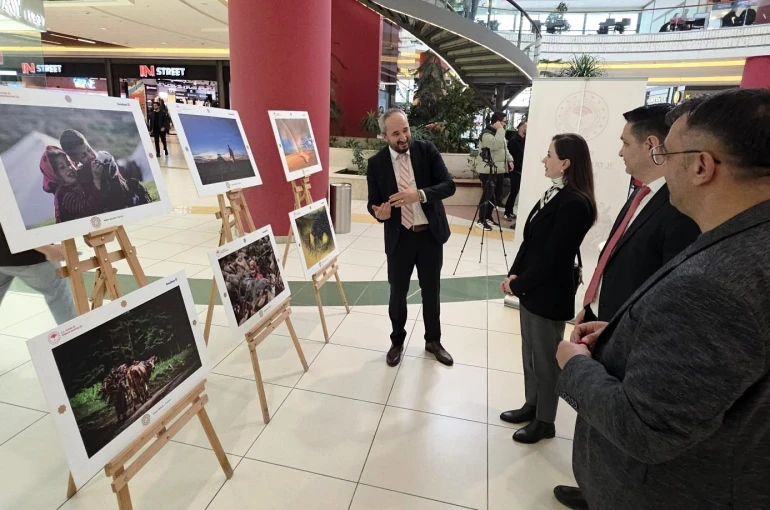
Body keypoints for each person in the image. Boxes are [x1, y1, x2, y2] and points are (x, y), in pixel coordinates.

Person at [555, 88, 770, 509]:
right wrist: (626, 337)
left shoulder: (713, 286)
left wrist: (576, 366)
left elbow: (646, 429)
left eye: (667, 156)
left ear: (702, 166)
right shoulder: (746, 239)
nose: (661, 168)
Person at [551, 104, 701, 509]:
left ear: (652, 145)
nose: (618, 152)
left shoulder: (677, 209)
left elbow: (666, 286)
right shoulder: (641, 194)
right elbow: (616, 257)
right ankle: (591, 480)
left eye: (624, 142)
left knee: (617, 416)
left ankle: (603, 490)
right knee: (598, 416)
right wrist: (594, 307)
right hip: (608, 321)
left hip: (635, 335)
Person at [499, 133, 596, 444]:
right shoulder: (554, 194)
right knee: (530, 355)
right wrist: (514, 275)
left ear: (565, 163)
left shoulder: (575, 204)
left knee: (545, 361)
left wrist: (521, 283)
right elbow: (531, 242)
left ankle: (546, 421)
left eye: (549, 155)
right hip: (532, 290)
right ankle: (532, 404)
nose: (544, 160)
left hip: (548, 294)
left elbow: (555, 257)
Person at [367, 108, 456, 367]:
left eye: (405, 130)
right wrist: (380, 213)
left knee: (431, 291)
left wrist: (419, 194)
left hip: (429, 235)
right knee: (398, 293)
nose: (403, 137)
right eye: (396, 133)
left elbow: (449, 184)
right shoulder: (376, 164)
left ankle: (433, 341)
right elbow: (374, 203)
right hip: (399, 238)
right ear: (384, 136)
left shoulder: (426, 151)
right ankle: (397, 341)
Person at [0, 226, 77, 326]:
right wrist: (47, 248)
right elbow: (10, 221)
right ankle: (76, 338)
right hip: (30, 257)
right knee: (58, 295)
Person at [60, 129, 151, 210]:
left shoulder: (101, 160)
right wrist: (97, 179)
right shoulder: (82, 176)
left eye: (89, 149)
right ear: (74, 160)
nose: (91, 156)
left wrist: (111, 165)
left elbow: (119, 179)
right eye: (83, 156)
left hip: (124, 196)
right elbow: (96, 202)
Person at [40, 146, 101, 223]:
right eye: (62, 167)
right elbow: (89, 209)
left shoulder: (76, 184)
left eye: (69, 163)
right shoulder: (64, 194)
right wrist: (97, 180)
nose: (69, 168)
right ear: (55, 175)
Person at [477, 112, 514, 231]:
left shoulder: (498, 133)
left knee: (496, 195)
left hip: (498, 169)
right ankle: (481, 220)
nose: (505, 124)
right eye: (504, 121)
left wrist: (510, 160)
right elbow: (495, 145)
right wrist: (500, 130)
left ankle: (488, 217)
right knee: (487, 195)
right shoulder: (486, 134)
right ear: (497, 122)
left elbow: (504, 148)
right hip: (488, 170)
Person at [504, 121, 526, 221]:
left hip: (520, 170)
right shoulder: (514, 140)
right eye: (527, 127)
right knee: (513, 192)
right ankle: (507, 212)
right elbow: (509, 155)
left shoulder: (524, 140)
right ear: (522, 128)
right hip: (514, 170)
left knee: (515, 192)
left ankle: (510, 211)